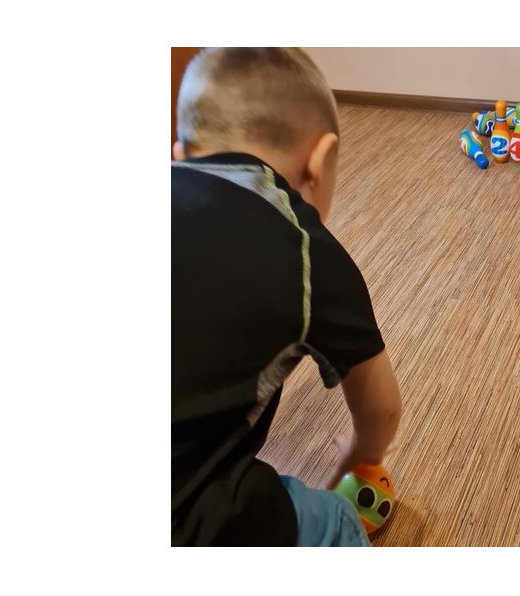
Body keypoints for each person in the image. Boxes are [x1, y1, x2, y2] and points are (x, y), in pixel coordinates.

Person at [171, 48, 401, 546]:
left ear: (179, 154)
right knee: (335, 518)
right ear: (318, 162)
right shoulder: (308, 251)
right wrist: (357, 457)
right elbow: (382, 410)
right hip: (186, 517)